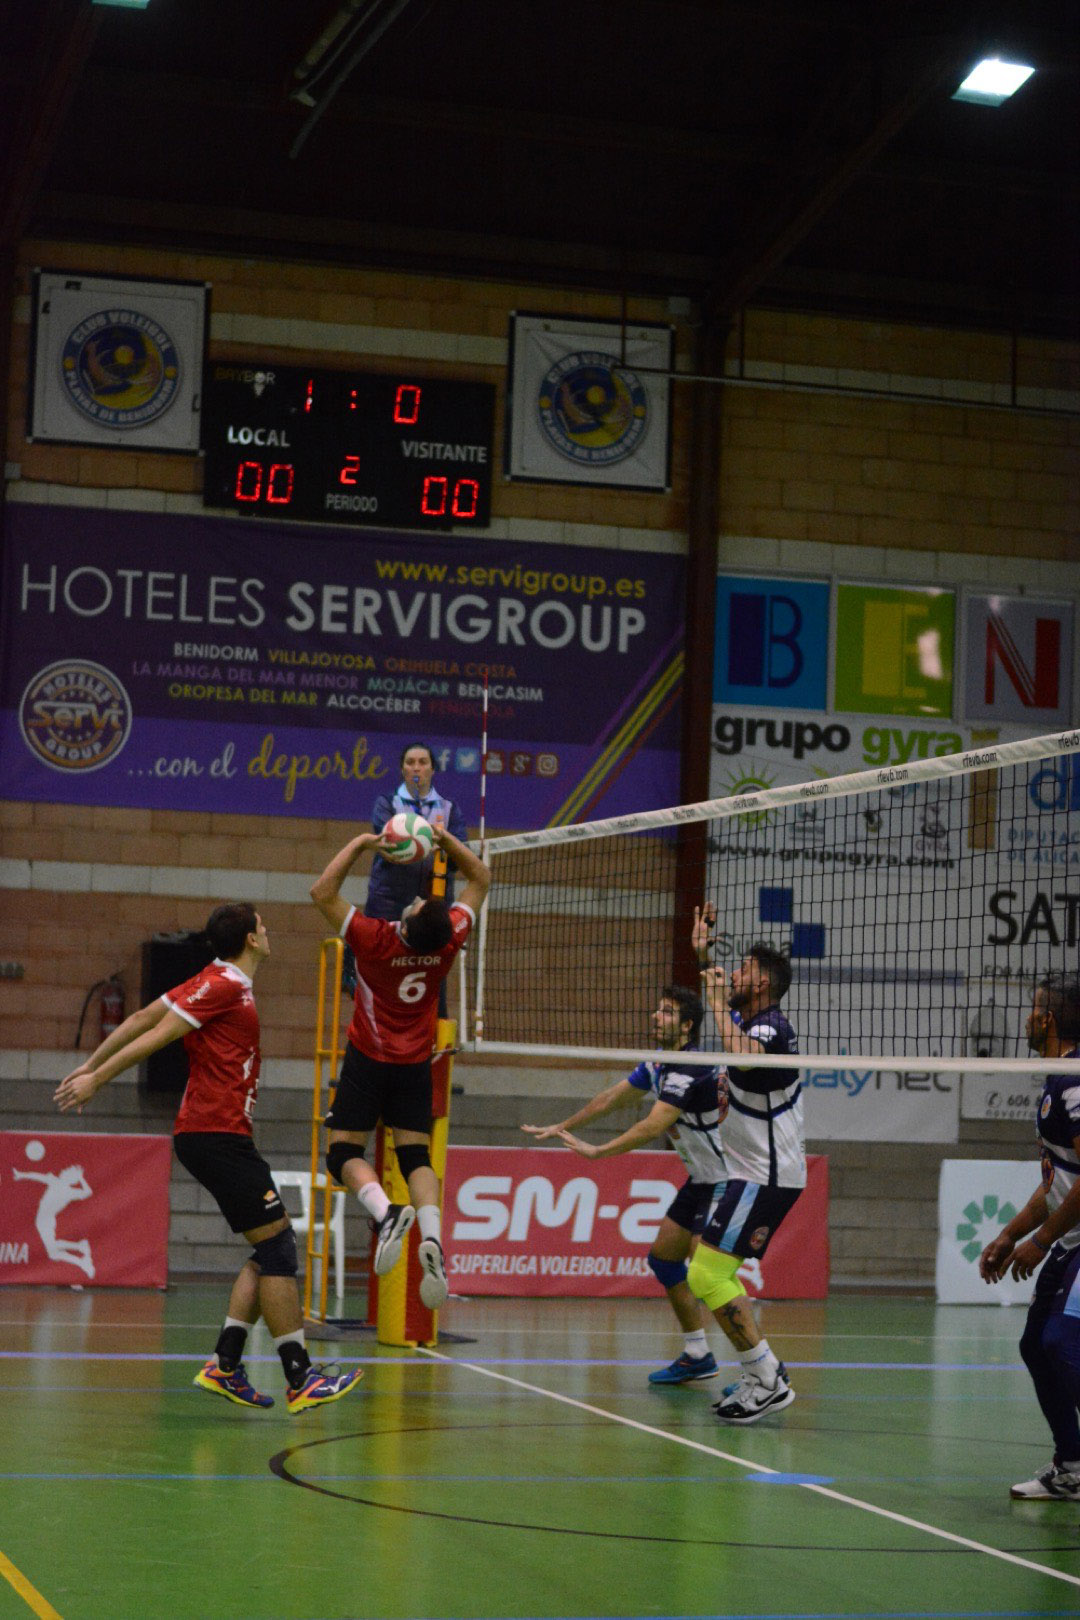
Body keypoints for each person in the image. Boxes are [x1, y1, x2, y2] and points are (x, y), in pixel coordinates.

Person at [53, 904, 362, 1416]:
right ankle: (300, 1378)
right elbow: (156, 1034)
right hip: (214, 1133)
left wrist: (90, 1063)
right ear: (250, 939)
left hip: (217, 1133)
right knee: (279, 1250)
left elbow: (141, 1017)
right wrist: (96, 1078)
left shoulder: (215, 979)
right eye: (261, 925)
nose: (268, 930)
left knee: (270, 1249)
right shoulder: (223, 985)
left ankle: (225, 1365)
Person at [310, 823, 490, 1310]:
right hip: (415, 1065)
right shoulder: (447, 941)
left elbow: (321, 891)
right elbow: (481, 879)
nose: (415, 900)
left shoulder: (375, 939)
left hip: (369, 1061)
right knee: (415, 1158)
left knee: (341, 1154)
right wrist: (449, 842)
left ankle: (386, 1213)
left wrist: (361, 844)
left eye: (416, 905)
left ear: (407, 925)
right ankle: (432, 1239)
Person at [523, 986, 728, 1385]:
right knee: (664, 1260)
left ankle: (760, 1366)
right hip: (701, 1179)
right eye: (658, 1009)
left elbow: (653, 1125)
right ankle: (697, 1353)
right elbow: (610, 1099)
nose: (656, 1016)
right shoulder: (659, 1063)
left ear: (687, 1025)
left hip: (726, 1179)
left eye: (667, 1012)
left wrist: (599, 1151)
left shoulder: (692, 1067)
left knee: (709, 1274)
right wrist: (563, 1125)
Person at [691, 903, 802, 1424]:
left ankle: (766, 1377)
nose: (733, 974)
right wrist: (701, 955)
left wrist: (717, 1002)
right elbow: (730, 1019)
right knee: (711, 1273)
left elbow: (742, 1053)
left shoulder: (772, 1030)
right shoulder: (751, 1022)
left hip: (766, 1175)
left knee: (706, 1274)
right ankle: (764, 1373)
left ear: (761, 982)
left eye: (742, 969)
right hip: (751, 1174)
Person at [979, 971, 1080, 1502]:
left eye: (1032, 1008)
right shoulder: (1055, 1079)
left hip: (1074, 1239)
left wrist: (1038, 1244)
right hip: (1070, 1236)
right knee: (1036, 1347)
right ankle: (1072, 1467)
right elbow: (1055, 1184)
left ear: (1047, 1019)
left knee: (1059, 1342)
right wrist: (1009, 1234)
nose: (1026, 1017)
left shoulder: (1074, 1083)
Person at [342, 741, 470, 996]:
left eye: (423, 762)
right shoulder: (387, 803)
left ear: (432, 769)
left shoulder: (449, 808)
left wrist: (442, 849)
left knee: (433, 967)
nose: (416, 768)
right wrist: (427, 844)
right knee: (379, 962)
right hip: (388, 900)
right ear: (402, 769)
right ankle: (358, 988)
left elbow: (460, 854)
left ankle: (433, 1017)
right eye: (410, 762)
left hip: (434, 902)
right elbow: (388, 844)